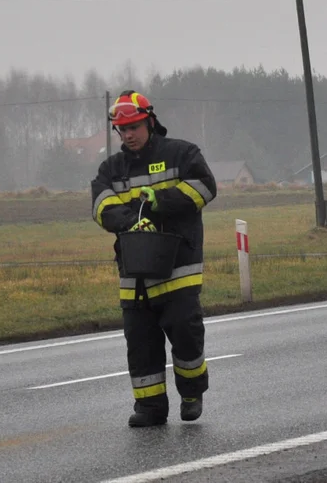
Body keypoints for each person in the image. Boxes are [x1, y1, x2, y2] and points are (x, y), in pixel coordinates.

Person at [91, 90, 219, 427]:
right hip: (135, 275)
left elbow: (205, 187)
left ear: (149, 121)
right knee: (140, 343)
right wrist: (132, 220)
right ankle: (150, 407)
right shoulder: (111, 169)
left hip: (179, 268)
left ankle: (191, 393)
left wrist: (161, 201)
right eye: (122, 129)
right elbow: (101, 207)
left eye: (133, 126)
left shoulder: (182, 154)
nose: (128, 134)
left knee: (185, 334)